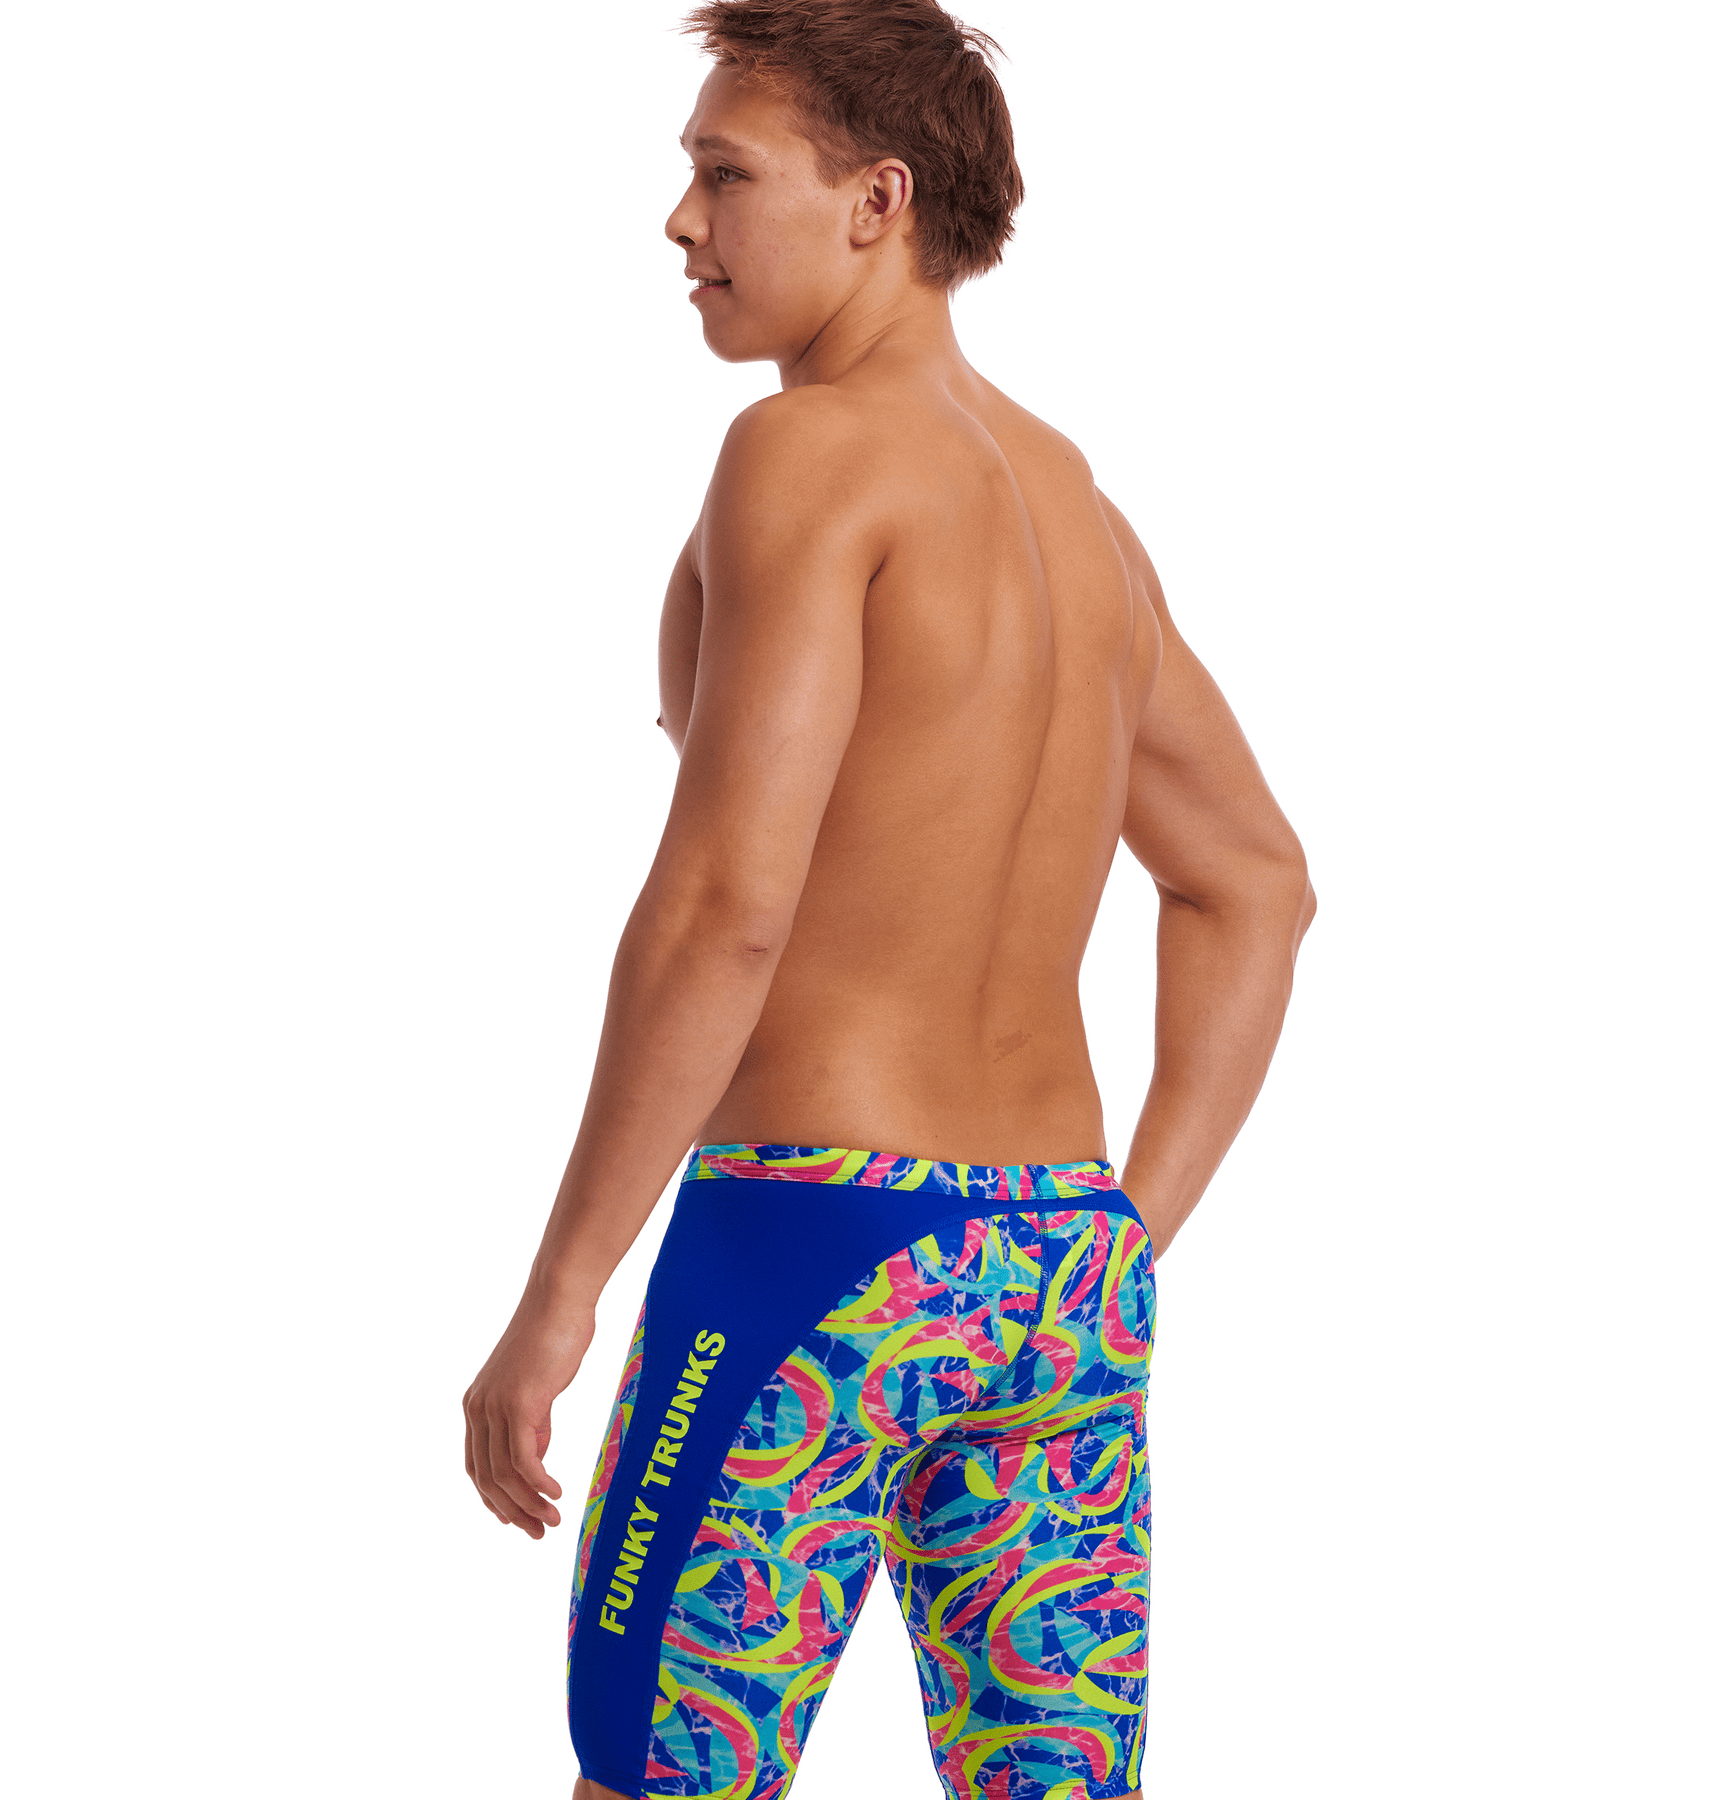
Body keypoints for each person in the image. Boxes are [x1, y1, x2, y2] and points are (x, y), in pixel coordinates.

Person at [463, 3, 1315, 1795]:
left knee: (657, 1779)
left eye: (724, 175)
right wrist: (1124, 1238)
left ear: (878, 200)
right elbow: (1253, 881)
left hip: (819, 1252)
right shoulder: (1080, 514)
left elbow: (727, 903)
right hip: (1058, 1269)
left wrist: (561, 1295)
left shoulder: (807, 456)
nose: (681, 221)